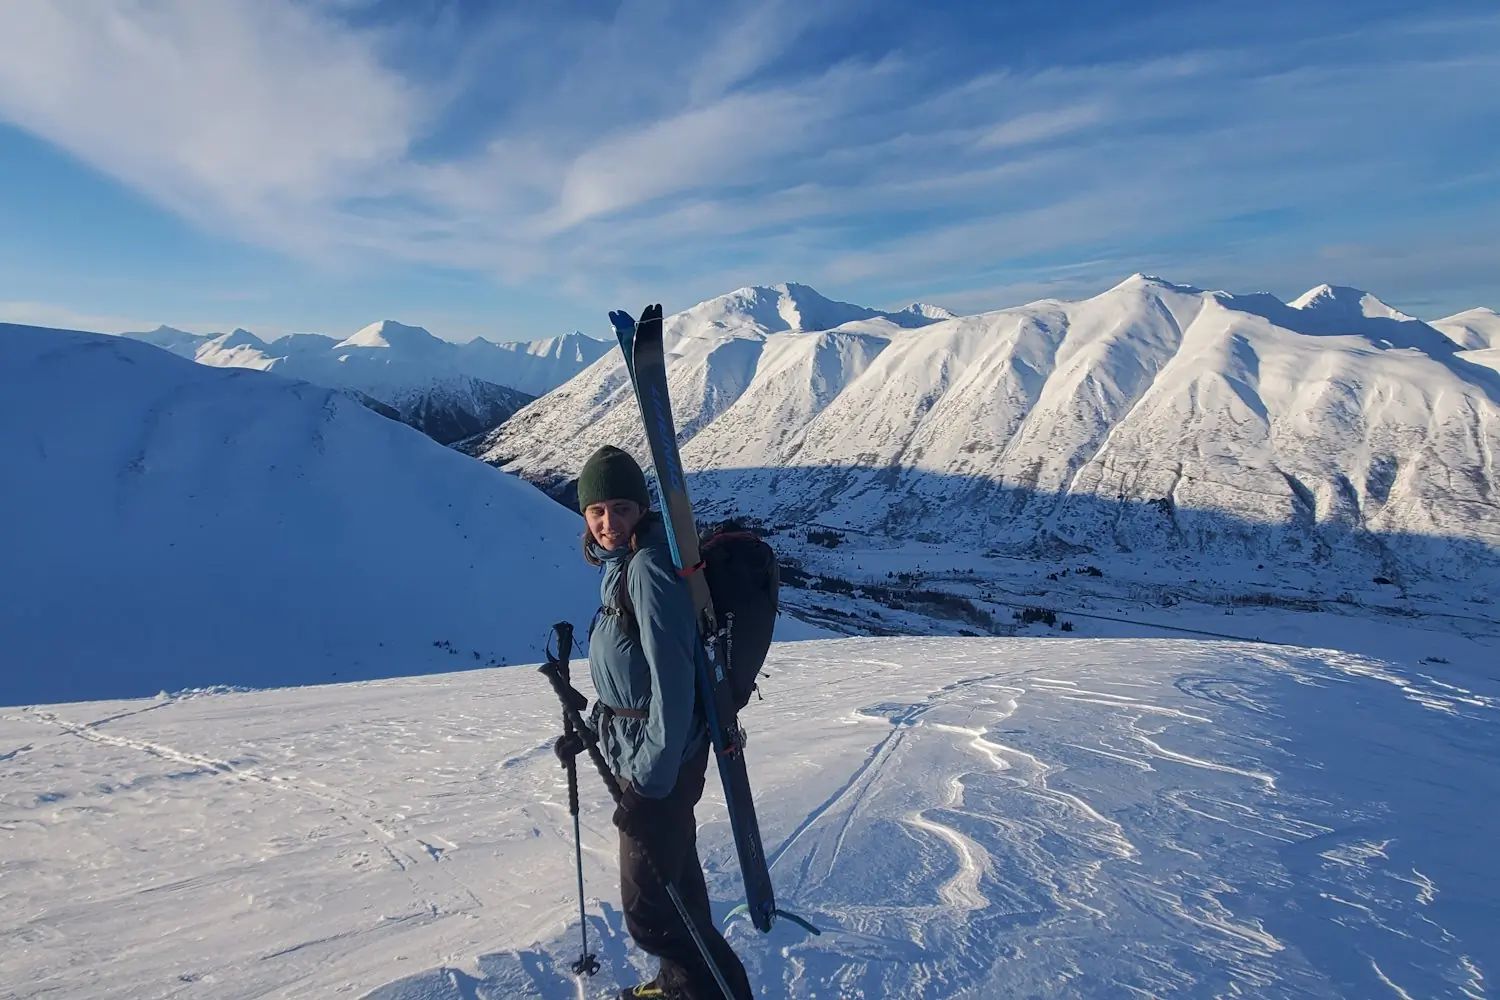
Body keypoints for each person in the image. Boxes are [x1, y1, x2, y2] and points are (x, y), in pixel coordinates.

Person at [577, 445, 753, 1000]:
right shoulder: (620, 565)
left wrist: (650, 787)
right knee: (679, 883)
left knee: (649, 910)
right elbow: (628, 674)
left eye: (622, 508)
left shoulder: (649, 568)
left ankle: (717, 991)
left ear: (643, 509)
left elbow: (672, 685)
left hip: (663, 764)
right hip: (645, 752)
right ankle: (682, 985)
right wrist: (589, 728)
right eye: (597, 511)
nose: (609, 523)